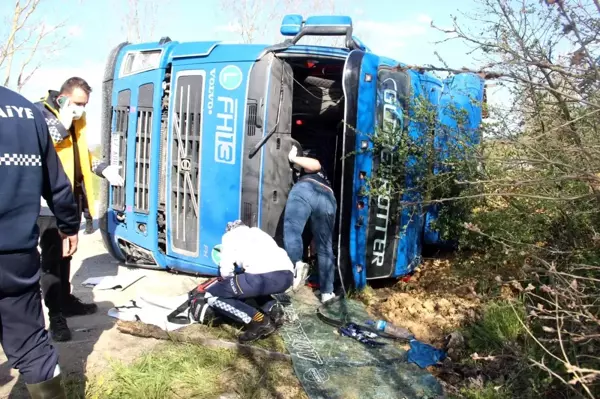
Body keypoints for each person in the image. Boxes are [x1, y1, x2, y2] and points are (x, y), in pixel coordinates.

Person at [0, 85, 80, 398]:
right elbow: (57, 184)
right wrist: (69, 225)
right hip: (16, 253)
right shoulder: (26, 110)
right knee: (32, 344)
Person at [35, 77, 124, 342]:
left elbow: (79, 153)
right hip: (47, 202)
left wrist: (102, 168)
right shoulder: (38, 113)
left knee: (66, 256)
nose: (81, 110)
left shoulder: (76, 119)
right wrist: (62, 122)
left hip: (69, 200)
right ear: (62, 97)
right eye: (77, 104)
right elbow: (43, 144)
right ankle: (56, 318)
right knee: (51, 261)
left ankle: (65, 299)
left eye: (85, 105)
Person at [191, 220, 293, 343]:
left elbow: (226, 271)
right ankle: (274, 310)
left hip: (261, 276)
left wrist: (229, 284)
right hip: (287, 276)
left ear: (230, 230)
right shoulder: (258, 232)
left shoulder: (229, 237)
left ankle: (259, 321)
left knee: (212, 294)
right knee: (251, 286)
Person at [284, 145, 337, 303]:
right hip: (328, 199)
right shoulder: (326, 177)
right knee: (325, 247)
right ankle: (327, 293)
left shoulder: (314, 167)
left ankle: (297, 265)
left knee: (292, 231)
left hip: (306, 189)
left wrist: (293, 158)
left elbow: (315, 165)